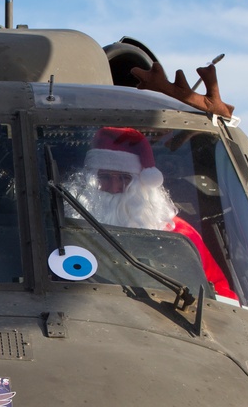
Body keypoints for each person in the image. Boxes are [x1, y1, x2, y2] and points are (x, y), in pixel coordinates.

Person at [66, 127, 235, 299]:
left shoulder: (180, 233)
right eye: (105, 177)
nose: (115, 188)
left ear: (141, 185)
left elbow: (220, 294)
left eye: (125, 179)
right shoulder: (63, 226)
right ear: (91, 181)